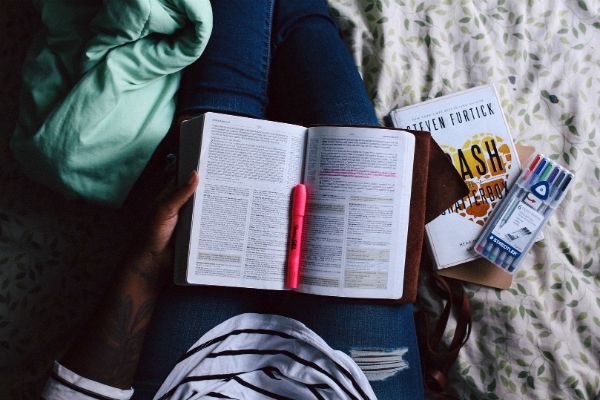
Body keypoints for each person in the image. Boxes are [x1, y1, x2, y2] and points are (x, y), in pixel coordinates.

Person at [42, 1, 424, 398]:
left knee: (220, 118)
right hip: (350, 386)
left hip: (190, 383)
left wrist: (146, 259)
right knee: (347, 135)